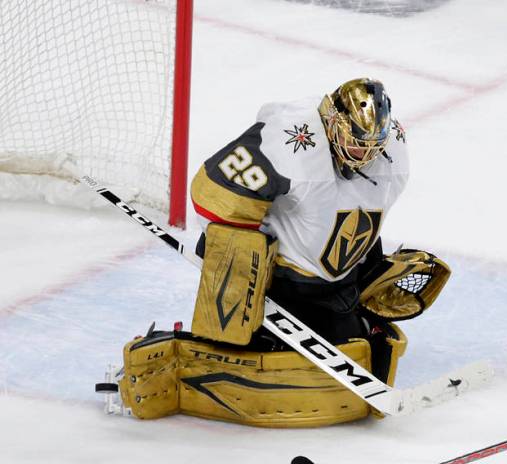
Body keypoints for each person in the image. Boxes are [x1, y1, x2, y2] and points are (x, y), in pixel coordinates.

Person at [110, 78, 450, 427]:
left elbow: (362, 218)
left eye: (371, 145)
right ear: (333, 122)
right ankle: (205, 338)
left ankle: (351, 312)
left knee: (353, 346)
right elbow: (209, 193)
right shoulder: (289, 141)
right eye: (355, 141)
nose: (363, 154)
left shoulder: (394, 154)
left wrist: (368, 268)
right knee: (254, 347)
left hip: (334, 287)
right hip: (279, 280)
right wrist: (246, 263)